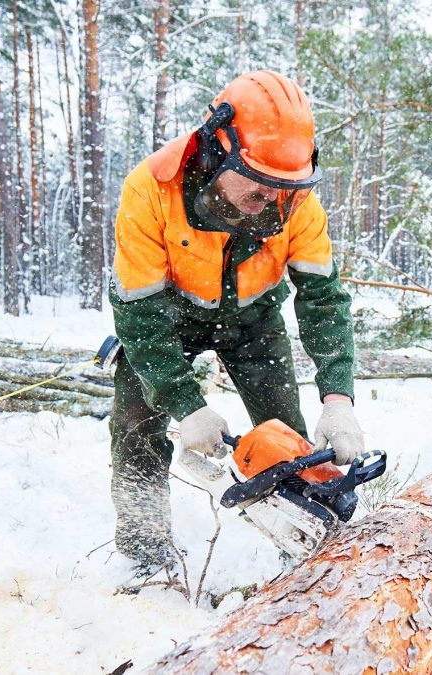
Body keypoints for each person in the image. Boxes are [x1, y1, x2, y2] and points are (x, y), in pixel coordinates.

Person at [108, 70, 363, 569]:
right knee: (136, 421)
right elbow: (138, 316)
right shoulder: (151, 190)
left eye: (285, 189)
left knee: (286, 438)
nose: (272, 201)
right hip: (169, 321)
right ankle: (144, 548)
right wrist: (185, 404)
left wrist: (339, 399)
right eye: (260, 184)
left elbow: (324, 300)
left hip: (253, 323)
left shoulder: (297, 205)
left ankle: (311, 552)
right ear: (217, 148)